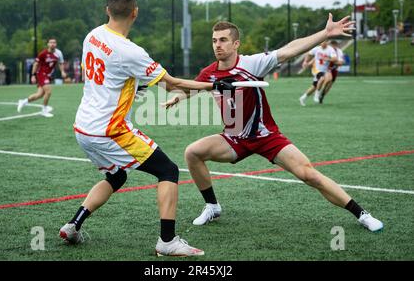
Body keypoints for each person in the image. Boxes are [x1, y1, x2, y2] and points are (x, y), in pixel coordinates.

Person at [163, 17, 383, 233]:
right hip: (233, 138)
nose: (217, 45)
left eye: (222, 40)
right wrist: (177, 97)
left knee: (309, 175)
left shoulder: (251, 64)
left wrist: (325, 34)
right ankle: (212, 206)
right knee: (192, 152)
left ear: (236, 44)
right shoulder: (209, 72)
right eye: (214, 40)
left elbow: (289, 50)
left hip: (265, 136)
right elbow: (195, 87)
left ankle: (362, 214)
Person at [59, 0, 218, 257]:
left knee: (117, 175)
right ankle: (167, 242)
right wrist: (213, 84)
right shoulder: (131, 51)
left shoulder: (93, 35)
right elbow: (173, 85)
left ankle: (73, 225)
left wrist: (132, 85)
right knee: (168, 171)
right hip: (110, 130)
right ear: (135, 12)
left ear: (107, 9)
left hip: (83, 128)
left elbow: (103, 73)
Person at [16, 38, 67, 117]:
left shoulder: (58, 53)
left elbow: (60, 63)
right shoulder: (43, 53)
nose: (52, 44)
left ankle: (23, 101)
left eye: (54, 42)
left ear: (56, 44)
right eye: (51, 42)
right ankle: (44, 110)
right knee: (49, 92)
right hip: (41, 74)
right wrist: (33, 75)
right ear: (48, 44)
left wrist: (62, 71)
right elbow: (35, 64)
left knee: (39, 95)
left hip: (48, 76)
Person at [298, 40, 337, 106]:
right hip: (316, 69)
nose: (322, 43)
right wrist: (305, 61)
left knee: (315, 86)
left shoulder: (330, 49)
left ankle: (302, 98)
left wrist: (327, 59)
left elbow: (335, 59)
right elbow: (309, 54)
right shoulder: (316, 49)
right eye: (321, 42)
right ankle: (317, 94)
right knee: (322, 78)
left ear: (327, 42)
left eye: (324, 41)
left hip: (324, 70)